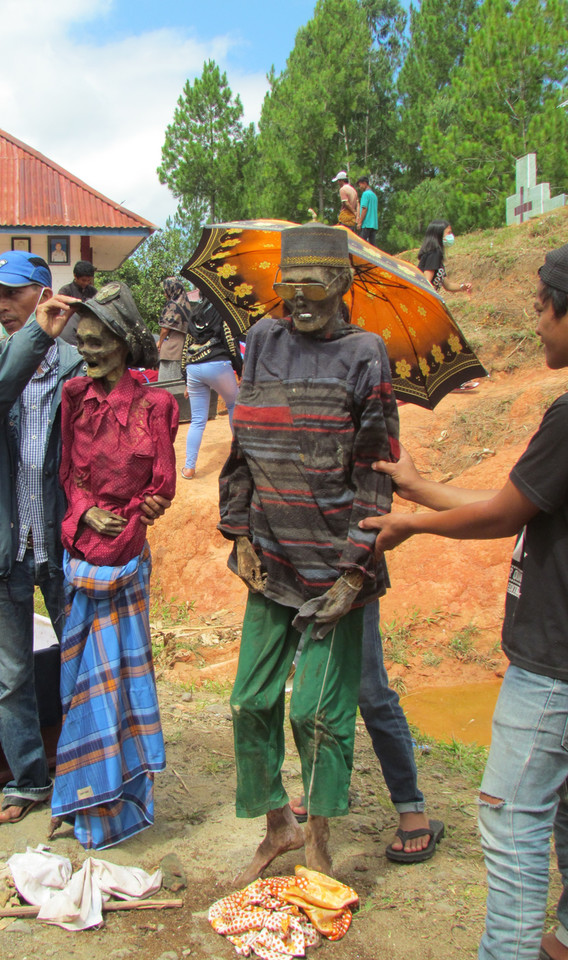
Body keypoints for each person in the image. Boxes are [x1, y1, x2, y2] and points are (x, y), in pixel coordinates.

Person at [361, 243, 568, 960]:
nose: (535, 321)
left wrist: (413, 523)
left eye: (542, 307)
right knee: (566, 817)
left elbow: (506, 515)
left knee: (511, 825)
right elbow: (519, 504)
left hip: (553, 669)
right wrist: (420, 490)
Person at [0, 251, 168, 826]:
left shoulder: (81, 367)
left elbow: (127, 439)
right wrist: (31, 344)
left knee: (82, 667)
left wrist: (146, 496)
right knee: (12, 675)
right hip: (4, 545)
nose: (1, 305)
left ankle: (81, 778)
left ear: (46, 295)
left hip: (69, 547)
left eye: (13, 294)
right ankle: (27, 781)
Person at [218, 223, 398, 885]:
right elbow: (240, 450)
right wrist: (238, 532)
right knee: (249, 701)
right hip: (271, 553)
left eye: (315, 284)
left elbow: (377, 469)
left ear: (344, 284)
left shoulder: (366, 354)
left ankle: (320, 841)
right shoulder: (262, 343)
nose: (299, 298)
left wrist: (357, 568)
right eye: (289, 285)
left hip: (335, 569)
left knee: (315, 713)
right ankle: (278, 823)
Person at [50, 282, 179, 849]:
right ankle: (81, 800)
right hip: (81, 559)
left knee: (121, 682)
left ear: (126, 344)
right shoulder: (74, 396)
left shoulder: (157, 406)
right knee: (80, 682)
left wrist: (139, 511)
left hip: (125, 563)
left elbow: (162, 486)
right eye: (82, 342)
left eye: (99, 342)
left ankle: (121, 802)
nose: (89, 352)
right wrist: (84, 516)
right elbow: (66, 480)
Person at [290, 598, 443, 863]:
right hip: (303, 583)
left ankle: (411, 808)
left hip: (354, 585)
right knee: (317, 691)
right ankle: (325, 791)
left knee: (372, 695)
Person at [180, 301, 242, 480]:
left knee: (197, 420)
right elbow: (230, 344)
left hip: (194, 368)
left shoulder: (195, 314)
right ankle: (241, 457)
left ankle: (189, 468)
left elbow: (186, 347)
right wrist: (240, 368)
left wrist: (186, 378)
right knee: (233, 405)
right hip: (217, 364)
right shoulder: (223, 311)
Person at [418, 219, 478, 391]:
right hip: (428, 306)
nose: (451, 236)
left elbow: (445, 284)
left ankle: (450, 381)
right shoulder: (434, 254)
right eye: (448, 233)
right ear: (438, 235)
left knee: (440, 344)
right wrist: (436, 301)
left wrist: (461, 287)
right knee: (449, 341)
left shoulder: (435, 255)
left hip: (430, 305)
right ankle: (458, 380)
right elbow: (426, 282)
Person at [157, 277, 191, 382]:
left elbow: (165, 329)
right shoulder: (188, 305)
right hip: (185, 348)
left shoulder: (172, 305)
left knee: (167, 386)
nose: (164, 294)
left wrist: (160, 342)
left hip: (172, 350)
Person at [57, 260, 97, 347]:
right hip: (70, 333)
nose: (86, 283)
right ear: (75, 276)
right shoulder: (65, 291)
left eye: (88, 280)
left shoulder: (93, 291)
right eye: (83, 280)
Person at [356, 177, 378, 246]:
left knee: (361, 245)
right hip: (374, 224)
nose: (360, 188)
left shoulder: (365, 194)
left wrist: (360, 222)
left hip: (366, 223)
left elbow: (364, 209)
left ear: (364, 183)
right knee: (372, 246)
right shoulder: (374, 195)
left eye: (360, 185)